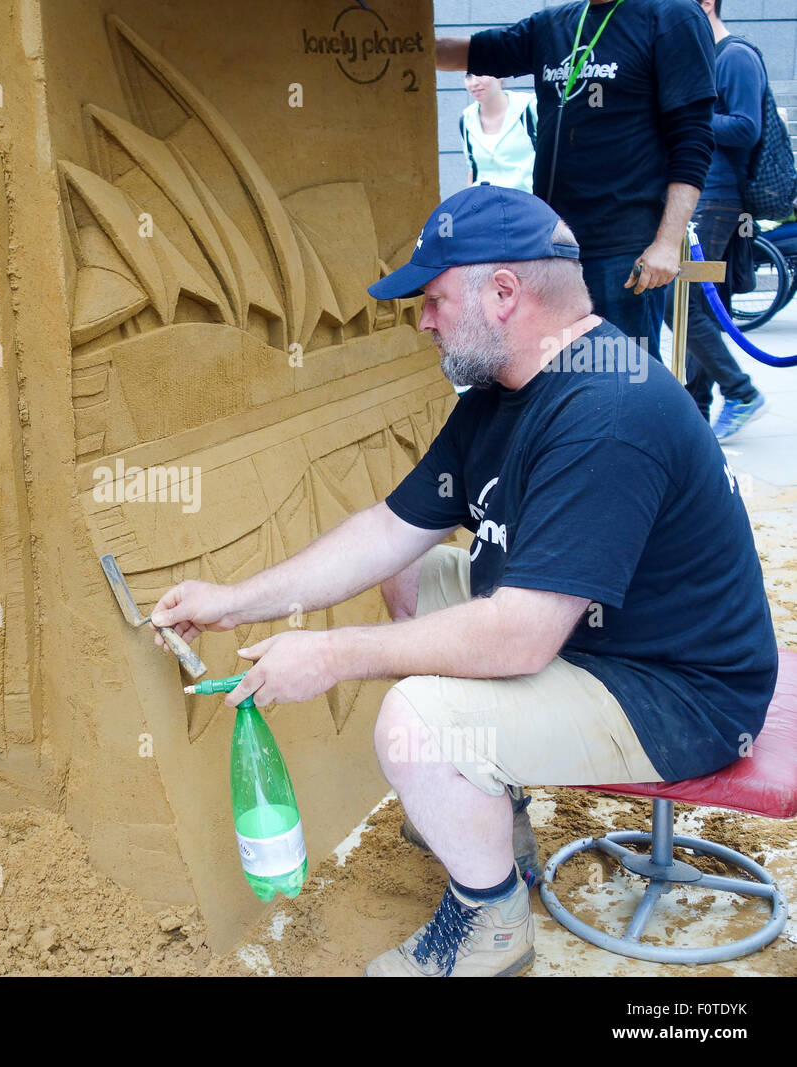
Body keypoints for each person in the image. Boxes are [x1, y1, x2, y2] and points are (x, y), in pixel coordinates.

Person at [149, 185, 778, 977]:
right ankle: (497, 809)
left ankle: (492, 921)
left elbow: (520, 636)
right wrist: (229, 600)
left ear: (504, 294)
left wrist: (333, 653)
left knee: (413, 723)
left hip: (678, 693)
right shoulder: (503, 395)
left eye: (436, 297)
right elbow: (388, 533)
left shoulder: (609, 407)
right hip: (594, 640)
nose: (423, 317)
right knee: (419, 566)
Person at [436, 0, 718, 364]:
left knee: (624, 374)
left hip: (624, 250)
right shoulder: (554, 24)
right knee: (562, 372)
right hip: (555, 248)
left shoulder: (669, 15)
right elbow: (471, 52)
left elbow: (693, 140)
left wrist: (666, 244)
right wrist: (394, 41)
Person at [670, 0, 766, 440]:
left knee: (681, 301)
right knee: (699, 307)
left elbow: (747, 127)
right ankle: (698, 408)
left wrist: (689, 120)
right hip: (701, 194)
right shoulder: (706, 57)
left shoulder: (736, 56)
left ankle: (741, 391)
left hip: (717, 198)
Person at [460, 75, 537, 193]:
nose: (474, 82)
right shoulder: (466, 119)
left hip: (528, 203)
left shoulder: (529, 108)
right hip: (486, 206)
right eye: (468, 76)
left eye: (480, 74)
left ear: (500, 74)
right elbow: (473, 170)